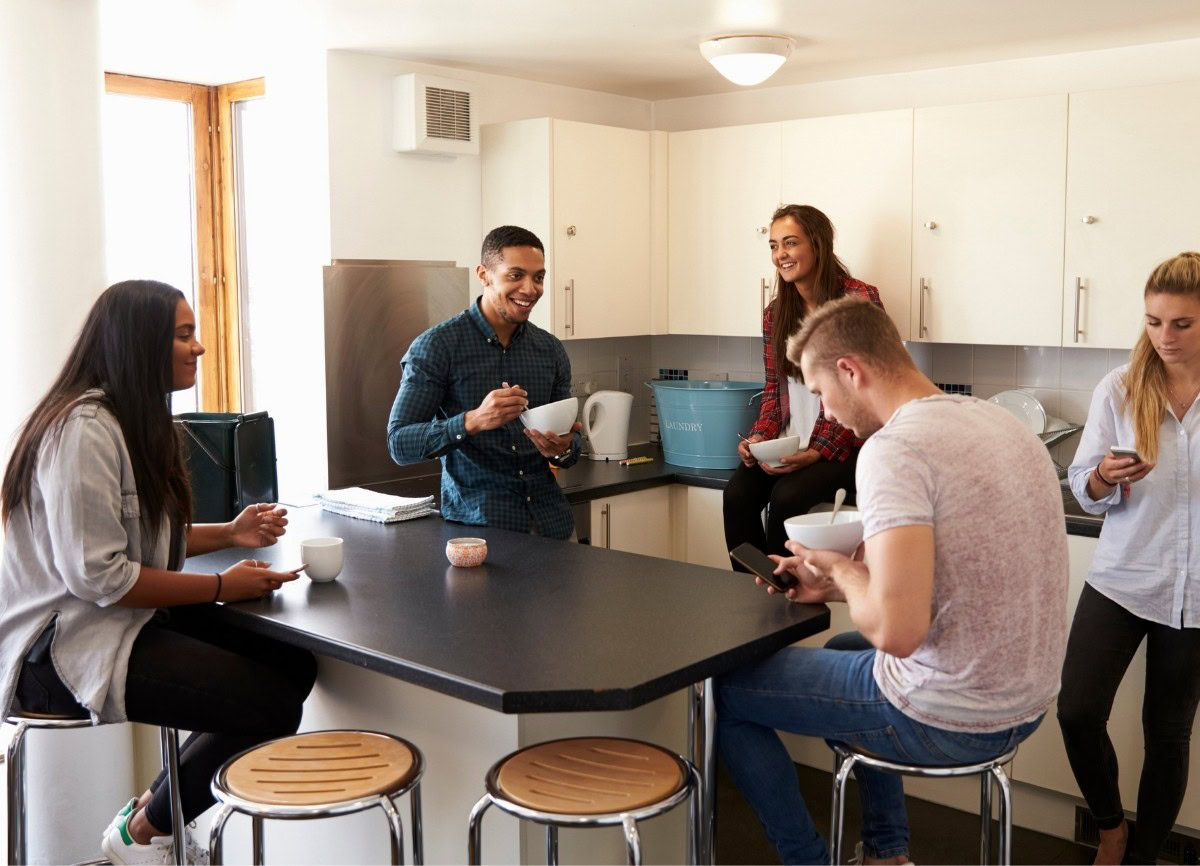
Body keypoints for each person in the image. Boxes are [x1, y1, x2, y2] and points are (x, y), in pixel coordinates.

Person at [716, 297, 1068, 865]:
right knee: (844, 643)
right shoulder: (997, 421)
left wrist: (843, 570)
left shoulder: (893, 449)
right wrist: (836, 584)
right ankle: (887, 853)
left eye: (820, 393)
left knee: (725, 693)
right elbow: (951, 575)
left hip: (952, 716)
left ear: (851, 370)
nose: (825, 412)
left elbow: (898, 634)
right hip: (1026, 701)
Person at [0, 280, 317, 866]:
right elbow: (103, 576)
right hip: (57, 653)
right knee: (270, 704)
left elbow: (138, 546)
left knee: (293, 665)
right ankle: (147, 832)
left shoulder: (131, 422)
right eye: (184, 334)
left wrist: (228, 534)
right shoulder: (82, 430)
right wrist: (224, 585)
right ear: (138, 345)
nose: (198, 347)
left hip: (112, 621)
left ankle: (145, 816)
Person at [1058, 251, 1200, 866]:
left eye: (1181, 324)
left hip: (1195, 594)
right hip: (1122, 578)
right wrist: (1105, 478)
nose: (1164, 337)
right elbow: (1083, 483)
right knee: (1077, 710)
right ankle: (1111, 826)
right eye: (1153, 322)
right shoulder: (1119, 386)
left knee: (1168, 737)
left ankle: (1138, 856)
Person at [387, 225, 582, 539]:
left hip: (553, 526)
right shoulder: (437, 347)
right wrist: (473, 421)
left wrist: (562, 449)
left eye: (538, 277)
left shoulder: (550, 350)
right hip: (480, 531)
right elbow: (398, 443)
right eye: (515, 275)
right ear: (484, 274)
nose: (530, 289)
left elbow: (570, 448)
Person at [723, 204, 884, 566]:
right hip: (793, 441)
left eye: (790, 243)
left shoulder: (857, 301)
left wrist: (815, 452)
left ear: (817, 244)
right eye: (774, 246)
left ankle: (784, 597)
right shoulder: (776, 313)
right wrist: (760, 437)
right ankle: (753, 587)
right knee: (736, 494)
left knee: (787, 497)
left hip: (848, 447)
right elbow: (773, 391)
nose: (781, 254)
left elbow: (859, 393)